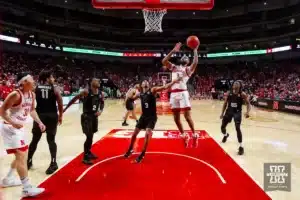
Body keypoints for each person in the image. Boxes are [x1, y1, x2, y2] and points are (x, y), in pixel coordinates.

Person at [0, 72, 46, 197]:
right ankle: (26, 188)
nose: (34, 80)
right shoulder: (15, 94)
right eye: (31, 79)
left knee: (22, 155)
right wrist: (13, 122)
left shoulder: (32, 94)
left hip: (19, 128)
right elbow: (2, 111)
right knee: (21, 156)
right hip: (9, 128)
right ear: (23, 82)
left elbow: (32, 110)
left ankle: (8, 179)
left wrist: (40, 122)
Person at [124, 77, 181, 163]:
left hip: (152, 117)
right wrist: (129, 96)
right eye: (143, 81)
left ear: (148, 84)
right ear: (141, 85)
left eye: (147, 81)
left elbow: (164, 87)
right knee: (134, 134)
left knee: (147, 133)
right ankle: (130, 149)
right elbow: (131, 99)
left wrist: (174, 81)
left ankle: (142, 154)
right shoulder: (140, 94)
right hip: (143, 117)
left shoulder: (153, 90)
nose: (145, 82)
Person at [162, 42, 199, 146]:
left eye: (187, 57)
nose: (185, 57)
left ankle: (194, 135)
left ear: (187, 62)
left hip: (183, 93)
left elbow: (195, 62)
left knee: (187, 117)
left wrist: (195, 50)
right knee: (176, 119)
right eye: (183, 56)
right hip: (173, 94)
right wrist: (173, 51)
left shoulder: (188, 70)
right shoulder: (174, 67)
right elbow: (164, 61)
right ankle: (184, 135)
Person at [27, 70, 63, 174]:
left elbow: (31, 101)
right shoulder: (55, 88)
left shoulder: (36, 88)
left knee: (35, 140)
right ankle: (53, 163)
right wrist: (60, 115)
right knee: (51, 140)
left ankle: (29, 161)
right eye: (52, 77)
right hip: (52, 116)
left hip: (40, 116)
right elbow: (60, 102)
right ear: (47, 78)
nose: (53, 79)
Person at [63, 78, 104, 165]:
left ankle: (88, 152)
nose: (99, 82)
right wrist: (65, 108)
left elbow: (102, 103)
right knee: (89, 136)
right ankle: (85, 157)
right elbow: (74, 99)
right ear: (92, 83)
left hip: (94, 117)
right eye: (97, 81)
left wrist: (100, 110)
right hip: (86, 117)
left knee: (91, 136)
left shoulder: (100, 93)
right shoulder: (86, 92)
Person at [220, 80, 250, 155]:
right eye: (234, 83)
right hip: (229, 111)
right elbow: (225, 103)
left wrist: (247, 112)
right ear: (233, 85)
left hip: (237, 112)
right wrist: (222, 113)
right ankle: (226, 135)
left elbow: (248, 104)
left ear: (240, 86)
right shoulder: (229, 93)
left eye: (237, 83)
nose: (235, 83)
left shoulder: (242, 94)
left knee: (237, 128)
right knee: (222, 127)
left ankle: (241, 147)